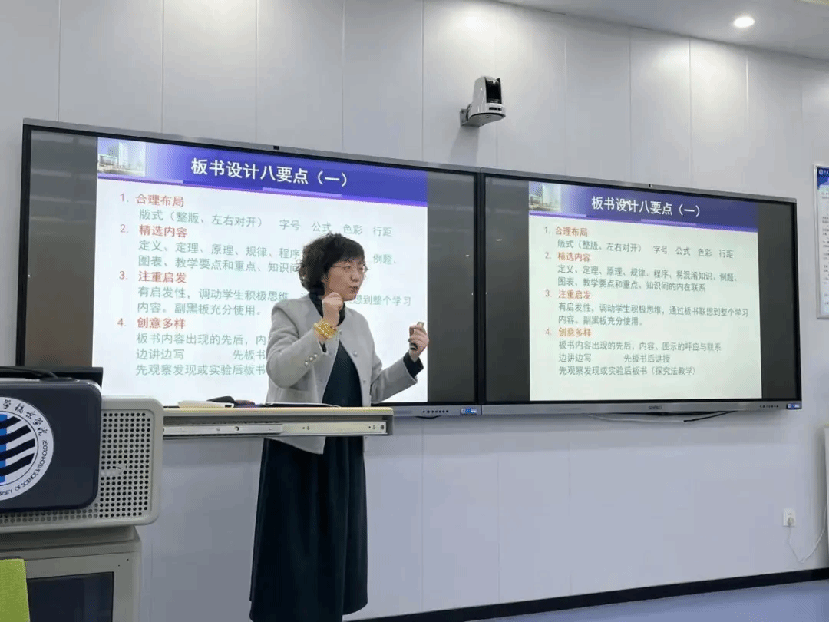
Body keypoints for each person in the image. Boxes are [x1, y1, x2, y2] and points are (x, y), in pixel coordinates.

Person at [249, 232, 429, 622]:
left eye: (361, 268)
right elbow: (280, 370)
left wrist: (411, 359)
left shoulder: (360, 323)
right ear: (321, 272)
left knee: (336, 553)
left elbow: (373, 388)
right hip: (298, 452)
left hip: (343, 452)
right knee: (293, 557)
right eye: (347, 267)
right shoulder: (290, 312)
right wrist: (325, 326)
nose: (357, 276)